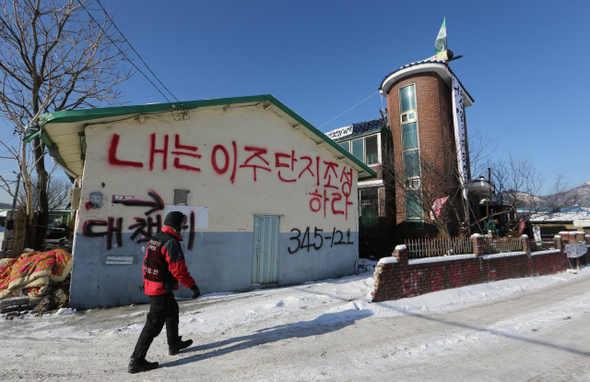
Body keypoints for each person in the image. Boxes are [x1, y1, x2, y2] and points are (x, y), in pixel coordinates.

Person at [128, 211, 201, 374]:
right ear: (176, 224)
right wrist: (192, 286)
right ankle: (136, 360)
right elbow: (179, 270)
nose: (184, 227)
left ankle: (173, 343)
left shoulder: (157, 237)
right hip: (160, 287)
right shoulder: (171, 243)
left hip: (155, 284)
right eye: (183, 224)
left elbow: (147, 261)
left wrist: (147, 279)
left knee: (172, 311)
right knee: (153, 324)